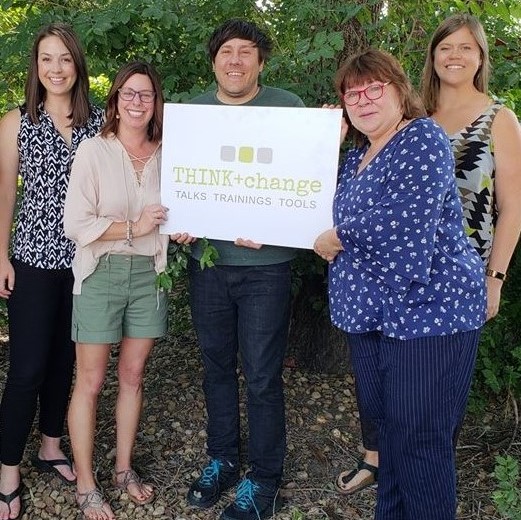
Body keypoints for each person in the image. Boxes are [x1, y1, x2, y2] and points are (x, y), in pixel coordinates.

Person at [335, 13, 521, 498]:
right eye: (445, 47)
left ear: (482, 57)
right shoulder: (374, 142)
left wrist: (494, 278)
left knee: (422, 442)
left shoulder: (472, 124)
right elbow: (311, 203)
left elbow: (512, 208)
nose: (454, 55)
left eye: (466, 47)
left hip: (440, 292)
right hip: (389, 301)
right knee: (402, 437)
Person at [313, 48, 486, 519]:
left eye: (375, 88)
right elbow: (311, 207)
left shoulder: (421, 138)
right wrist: (319, 144)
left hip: (428, 316)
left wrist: (337, 238)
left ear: (398, 90)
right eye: (353, 93)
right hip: (372, 318)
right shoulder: (355, 159)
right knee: (388, 435)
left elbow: (403, 227)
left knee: (419, 440)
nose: (364, 99)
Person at [185, 19, 304, 520]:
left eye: (246, 52)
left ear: (261, 61)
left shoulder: (289, 108)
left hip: (267, 267)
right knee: (215, 367)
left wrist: (277, 223)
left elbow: (306, 183)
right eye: (226, 51)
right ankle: (223, 459)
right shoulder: (191, 112)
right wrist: (181, 219)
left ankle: (264, 477)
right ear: (214, 59)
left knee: (260, 375)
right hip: (207, 264)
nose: (235, 60)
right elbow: (182, 179)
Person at [0, 23, 103, 520]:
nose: (56, 68)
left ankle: (50, 445)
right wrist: (0, 255)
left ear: (77, 65)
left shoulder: (99, 122)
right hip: (33, 262)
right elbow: (6, 195)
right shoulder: (15, 122)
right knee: (26, 369)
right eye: (46, 59)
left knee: (66, 363)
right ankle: (7, 469)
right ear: (35, 67)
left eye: (65, 58)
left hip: (86, 263)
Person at [63, 61, 168, 520]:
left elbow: (184, 212)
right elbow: (76, 225)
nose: (137, 102)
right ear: (116, 100)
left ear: (155, 102)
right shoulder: (93, 150)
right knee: (89, 381)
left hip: (150, 274)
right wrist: (134, 226)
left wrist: (180, 230)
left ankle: (123, 470)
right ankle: (86, 484)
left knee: (132, 376)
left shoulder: (171, 153)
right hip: (101, 273)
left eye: (145, 95)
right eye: (128, 93)